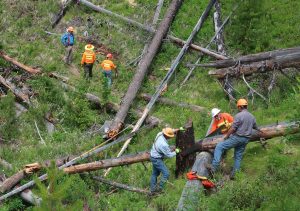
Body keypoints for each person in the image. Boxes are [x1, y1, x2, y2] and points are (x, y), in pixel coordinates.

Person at [208, 99, 264, 178]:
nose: (238, 108)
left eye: (238, 107)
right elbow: (255, 126)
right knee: (238, 156)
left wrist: (226, 136)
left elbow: (233, 128)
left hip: (238, 137)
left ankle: (214, 167)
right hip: (246, 139)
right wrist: (260, 131)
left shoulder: (239, 115)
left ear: (240, 106)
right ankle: (234, 174)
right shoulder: (252, 116)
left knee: (219, 146)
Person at [150, 127, 181, 195]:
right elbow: (169, 155)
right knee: (166, 173)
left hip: (153, 156)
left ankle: (152, 189)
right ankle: (160, 189)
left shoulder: (160, 134)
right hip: (157, 159)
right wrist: (176, 152)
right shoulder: (163, 144)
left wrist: (178, 129)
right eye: (170, 136)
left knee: (155, 173)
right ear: (167, 135)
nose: (171, 137)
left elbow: (170, 131)